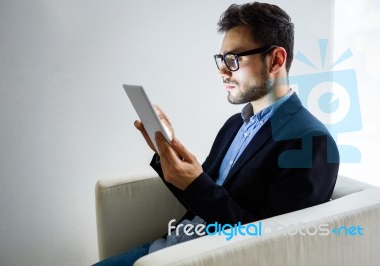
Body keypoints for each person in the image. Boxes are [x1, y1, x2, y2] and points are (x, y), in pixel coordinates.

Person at [93, 2, 339, 265]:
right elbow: (203, 194)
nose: (221, 71)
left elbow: (271, 244)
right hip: (167, 246)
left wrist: (195, 183)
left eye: (233, 59)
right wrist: (167, 151)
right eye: (221, 59)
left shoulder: (311, 142)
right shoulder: (235, 124)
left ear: (276, 60)